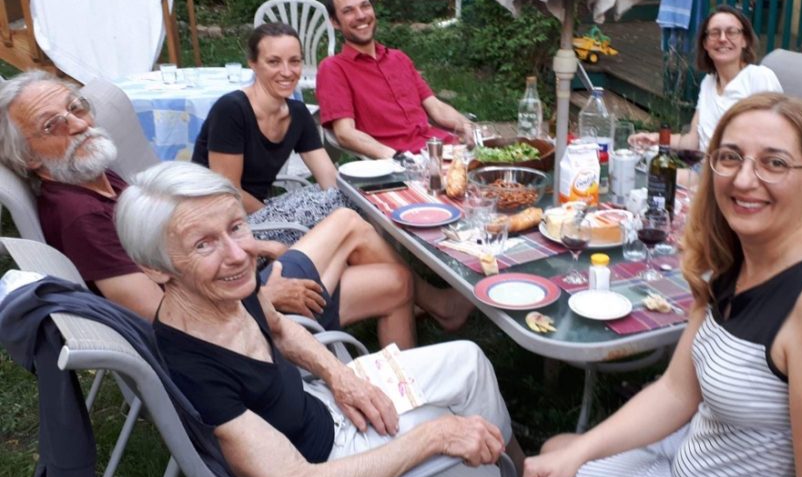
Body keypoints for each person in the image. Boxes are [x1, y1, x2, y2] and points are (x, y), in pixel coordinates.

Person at [525, 93, 802, 477]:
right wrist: (579, 452)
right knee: (558, 452)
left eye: (774, 163)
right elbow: (677, 391)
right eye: (730, 157)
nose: (744, 180)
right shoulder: (736, 261)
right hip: (684, 460)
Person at [113, 161, 521, 477]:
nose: (238, 255)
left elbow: (280, 328)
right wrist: (434, 437)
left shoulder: (227, 288)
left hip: (322, 401)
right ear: (156, 268)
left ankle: (522, 471)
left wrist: (338, 376)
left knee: (469, 361)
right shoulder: (195, 370)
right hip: (330, 458)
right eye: (203, 244)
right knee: (462, 430)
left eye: (236, 227)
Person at [0, 71, 470, 345]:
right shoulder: (78, 215)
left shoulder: (98, 179)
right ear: (30, 158)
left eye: (76, 108)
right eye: (52, 125)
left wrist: (257, 247)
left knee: (394, 282)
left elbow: (177, 242)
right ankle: (438, 314)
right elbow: (161, 316)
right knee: (348, 220)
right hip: (230, 321)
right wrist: (263, 297)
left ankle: (403, 387)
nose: (78, 124)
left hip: (225, 282)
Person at [192, 22, 349, 243]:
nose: (287, 72)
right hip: (220, 224)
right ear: (253, 64)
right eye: (274, 62)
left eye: (294, 61)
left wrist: (344, 201)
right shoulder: (231, 109)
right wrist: (279, 222)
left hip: (260, 211)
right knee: (343, 214)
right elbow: (228, 193)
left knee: (347, 198)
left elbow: (329, 179)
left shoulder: (298, 113)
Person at [316, 0, 473, 158]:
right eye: (348, 11)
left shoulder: (399, 59)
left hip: (443, 150)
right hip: (404, 162)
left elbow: (435, 107)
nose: (360, 15)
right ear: (335, 22)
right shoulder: (333, 69)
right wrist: (399, 159)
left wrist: (469, 128)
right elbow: (345, 134)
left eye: (365, 6)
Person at [629, 5, 782, 154]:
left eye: (732, 32)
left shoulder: (759, 78)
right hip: (704, 165)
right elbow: (692, 141)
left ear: (745, 40)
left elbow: (774, 141)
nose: (722, 39)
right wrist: (657, 139)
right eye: (715, 33)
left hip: (737, 167)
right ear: (705, 44)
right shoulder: (708, 83)